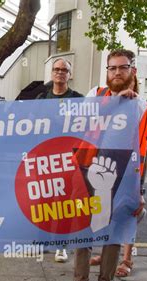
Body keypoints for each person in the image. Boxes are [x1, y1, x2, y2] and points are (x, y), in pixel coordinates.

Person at [66, 49, 147, 281]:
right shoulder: (96, 95)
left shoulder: (143, 108)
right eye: (111, 68)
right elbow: (80, 122)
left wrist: (140, 189)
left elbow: (144, 152)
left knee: (114, 233)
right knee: (85, 229)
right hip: (89, 171)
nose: (116, 73)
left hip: (124, 177)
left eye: (122, 68)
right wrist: (115, 102)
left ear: (132, 71)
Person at [89, 75, 147, 277]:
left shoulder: (143, 109)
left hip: (133, 167)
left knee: (129, 213)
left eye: (131, 85)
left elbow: (146, 146)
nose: (128, 91)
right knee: (110, 213)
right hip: (109, 165)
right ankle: (107, 255)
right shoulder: (107, 103)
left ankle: (127, 259)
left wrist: (139, 188)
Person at [36, 57, 83, 262]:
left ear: (69, 74)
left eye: (64, 70)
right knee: (43, 201)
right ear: (51, 73)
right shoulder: (41, 99)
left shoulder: (79, 99)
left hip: (67, 158)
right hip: (45, 158)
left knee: (63, 204)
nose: (60, 72)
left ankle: (61, 246)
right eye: (56, 69)